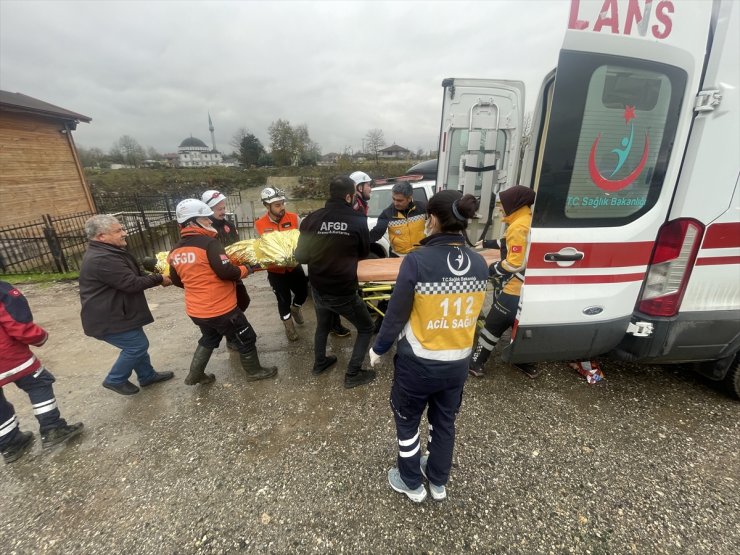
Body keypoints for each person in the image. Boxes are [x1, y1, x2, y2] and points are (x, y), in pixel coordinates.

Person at [368, 191, 488, 503]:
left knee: (408, 422)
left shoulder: (416, 261)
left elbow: (395, 315)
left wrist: (378, 349)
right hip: (457, 364)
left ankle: (410, 481)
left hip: (418, 364)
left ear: (431, 219)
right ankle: (438, 480)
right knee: (444, 422)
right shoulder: (479, 264)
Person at [168, 199, 277, 385]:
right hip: (221, 310)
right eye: (205, 219)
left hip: (196, 311)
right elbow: (227, 272)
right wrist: (246, 269)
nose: (210, 221)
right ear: (192, 222)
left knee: (209, 337)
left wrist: (199, 284)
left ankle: (195, 374)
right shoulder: (209, 244)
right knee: (246, 337)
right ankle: (254, 372)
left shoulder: (176, 250)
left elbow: (177, 280)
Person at [295, 176, 376, 388]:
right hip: (342, 289)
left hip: (318, 287)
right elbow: (363, 252)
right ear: (349, 196)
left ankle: (320, 363)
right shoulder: (357, 219)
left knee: (323, 325)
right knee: (366, 327)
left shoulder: (311, 220)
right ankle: (353, 373)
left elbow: (301, 257)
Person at [79, 215, 174, 396]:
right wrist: (160, 278)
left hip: (119, 312)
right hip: (109, 316)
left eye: (122, 229)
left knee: (136, 343)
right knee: (136, 346)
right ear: (101, 236)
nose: (125, 233)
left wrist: (157, 269)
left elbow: (133, 274)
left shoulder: (109, 251)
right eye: (118, 231)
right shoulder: (102, 258)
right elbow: (131, 284)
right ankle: (115, 379)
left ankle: (147, 376)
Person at [1, 281, 84, 463]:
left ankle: (9, 444)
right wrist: (39, 336)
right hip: (9, 356)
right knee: (39, 382)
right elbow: (17, 323)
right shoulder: (3, 291)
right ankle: (52, 427)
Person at [469, 185, 539, 379]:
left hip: (514, 286)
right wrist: (485, 243)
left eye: (503, 205)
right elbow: (509, 242)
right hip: (529, 287)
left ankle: (477, 362)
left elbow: (515, 263)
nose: (500, 209)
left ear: (514, 204)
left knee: (494, 323)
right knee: (520, 324)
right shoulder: (528, 220)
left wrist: (491, 270)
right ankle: (523, 360)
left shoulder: (518, 226)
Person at [254, 187, 308, 342]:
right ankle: (289, 326)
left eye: (282, 203)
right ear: (267, 206)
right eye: (277, 205)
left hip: (294, 266)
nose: (282, 207)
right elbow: (260, 248)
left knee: (303, 293)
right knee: (282, 300)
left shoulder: (294, 218)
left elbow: (303, 239)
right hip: (275, 271)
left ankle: (296, 308)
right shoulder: (259, 224)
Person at [369, 180, 427, 257]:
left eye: (399, 200)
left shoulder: (423, 208)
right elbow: (376, 233)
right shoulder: (387, 214)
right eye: (394, 199)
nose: (395, 203)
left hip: (421, 255)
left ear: (409, 198)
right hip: (397, 257)